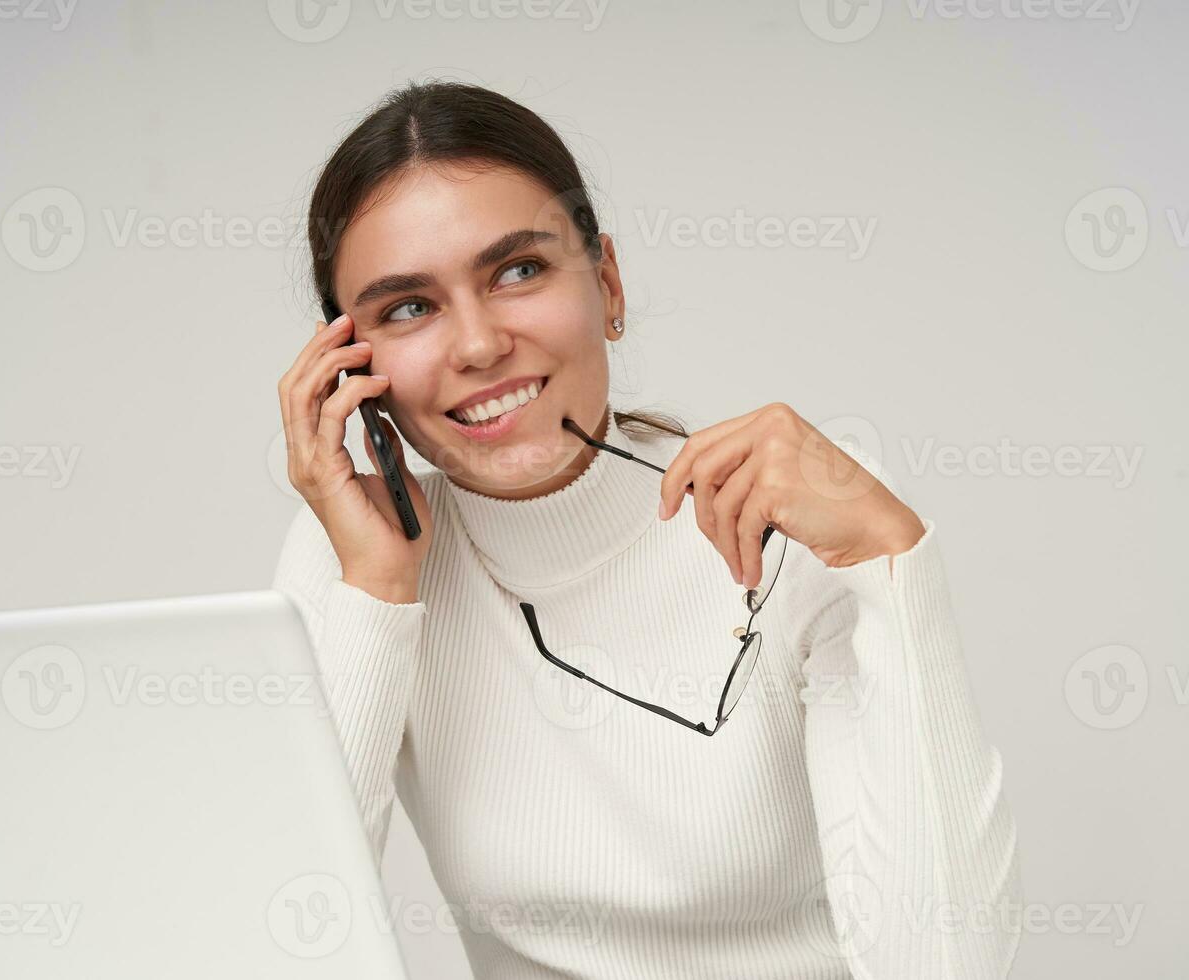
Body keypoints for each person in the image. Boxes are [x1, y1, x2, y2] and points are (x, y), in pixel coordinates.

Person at [274, 80, 1021, 979]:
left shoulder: (798, 524)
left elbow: (945, 966)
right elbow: (277, 945)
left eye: (517, 271)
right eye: (408, 308)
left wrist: (892, 567)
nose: (476, 346)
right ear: (348, 366)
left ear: (608, 285)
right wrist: (376, 593)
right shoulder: (355, 562)